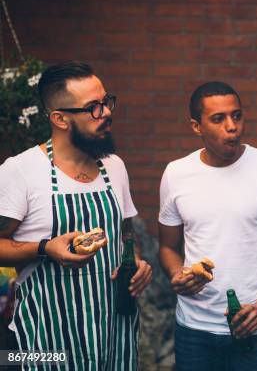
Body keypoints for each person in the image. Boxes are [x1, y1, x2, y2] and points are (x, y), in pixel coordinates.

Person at [0, 61, 152, 369]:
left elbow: (126, 234)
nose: (107, 113)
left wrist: (135, 262)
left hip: (114, 332)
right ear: (59, 118)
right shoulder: (21, 171)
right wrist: (44, 248)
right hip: (48, 337)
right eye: (93, 107)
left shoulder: (115, 166)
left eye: (107, 102)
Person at [158, 81, 257, 371]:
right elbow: (167, 247)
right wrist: (177, 274)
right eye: (218, 119)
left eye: (237, 116)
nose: (232, 126)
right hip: (194, 329)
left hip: (255, 328)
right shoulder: (176, 174)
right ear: (196, 127)